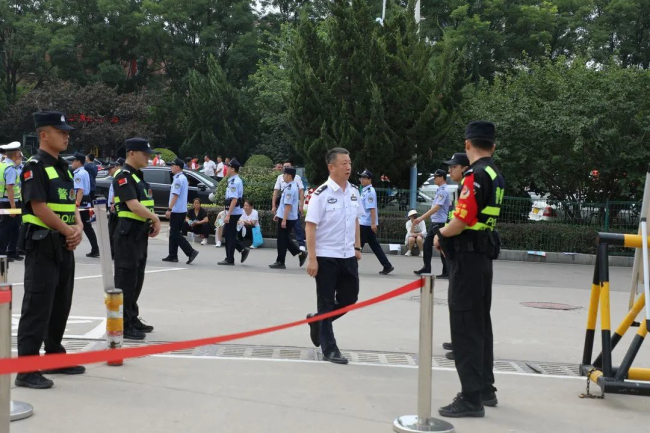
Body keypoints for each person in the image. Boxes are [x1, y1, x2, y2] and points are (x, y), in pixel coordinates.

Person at [434, 121, 504, 418]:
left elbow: (461, 220)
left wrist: (440, 234)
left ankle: (470, 397)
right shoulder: (495, 173)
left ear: (467, 144)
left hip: (467, 259)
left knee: (465, 329)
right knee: (480, 325)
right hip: (482, 258)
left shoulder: (474, 176)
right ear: (493, 146)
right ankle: (485, 389)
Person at [15, 111, 84, 389]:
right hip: (43, 244)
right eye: (60, 131)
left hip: (64, 245)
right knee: (37, 305)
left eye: (67, 132)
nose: (66, 136)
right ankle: (26, 370)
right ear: (44, 135)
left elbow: (71, 204)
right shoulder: (34, 167)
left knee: (60, 304)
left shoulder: (64, 167)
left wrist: (77, 227)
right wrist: (69, 231)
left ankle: (55, 355)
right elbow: (38, 207)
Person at [305, 148, 363, 365]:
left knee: (350, 299)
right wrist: (312, 259)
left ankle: (317, 322)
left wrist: (357, 247)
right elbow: (310, 227)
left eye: (350, 163)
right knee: (326, 303)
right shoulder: (321, 194)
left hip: (348, 255)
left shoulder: (354, 192)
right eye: (343, 163)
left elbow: (356, 220)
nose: (348, 167)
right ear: (331, 167)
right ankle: (329, 348)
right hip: (326, 256)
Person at [113, 137, 162, 340]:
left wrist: (150, 220)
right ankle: (123, 324)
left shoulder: (138, 177)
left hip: (139, 233)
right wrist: (155, 218)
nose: (148, 157)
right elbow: (133, 205)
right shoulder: (123, 176)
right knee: (125, 280)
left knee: (136, 278)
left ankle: (132, 317)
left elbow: (144, 204)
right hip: (127, 234)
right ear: (131, 153)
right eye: (145, 154)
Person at [439, 152, 470, 361]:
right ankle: (458, 339)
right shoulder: (460, 188)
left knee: (461, 300)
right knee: (456, 299)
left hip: (464, 249)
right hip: (455, 246)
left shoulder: (467, 187)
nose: (450, 171)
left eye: (454, 167)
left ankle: (463, 343)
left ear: (464, 168)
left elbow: (462, 220)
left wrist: (442, 235)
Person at [414, 169, 451, 278]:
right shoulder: (440, 190)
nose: (434, 179)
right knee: (428, 245)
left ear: (441, 178)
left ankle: (446, 271)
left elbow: (436, 208)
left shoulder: (443, 191)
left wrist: (421, 218)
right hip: (435, 222)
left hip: (439, 223)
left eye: (435, 177)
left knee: (441, 246)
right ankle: (427, 268)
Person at [270, 167, 308, 269]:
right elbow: (283, 205)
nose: (283, 176)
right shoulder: (290, 186)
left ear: (289, 176)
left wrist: (284, 219)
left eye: (284, 174)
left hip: (288, 218)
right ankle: (299, 254)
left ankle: (281, 261)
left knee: (282, 240)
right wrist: (278, 215)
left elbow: (288, 205)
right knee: (284, 238)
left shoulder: (291, 188)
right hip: (286, 216)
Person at [163, 158, 199, 264]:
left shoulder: (178, 179)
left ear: (178, 167)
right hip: (180, 210)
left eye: (172, 165)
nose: (171, 167)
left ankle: (191, 252)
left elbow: (175, 195)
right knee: (173, 233)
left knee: (175, 234)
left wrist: (169, 209)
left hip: (177, 210)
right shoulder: (182, 177)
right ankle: (172, 255)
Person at [358, 169, 393, 275]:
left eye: (364, 178)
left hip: (365, 223)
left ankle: (351, 266)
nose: (361, 180)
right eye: (361, 177)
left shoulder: (370, 192)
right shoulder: (365, 190)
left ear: (369, 180)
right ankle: (387, 265)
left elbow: (372, 208)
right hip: (364, 222)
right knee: (374, 245)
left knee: (357, 245)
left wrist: (373, 223)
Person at [218, 158, 250, 266]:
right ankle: (242, 250)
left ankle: (230, 259)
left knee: (229, 235)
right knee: (228, 234)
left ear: (232, 169)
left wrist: (228, 215)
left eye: (228, 167)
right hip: (233, 211)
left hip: (233, 212)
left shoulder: (234, 182)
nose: (226, 169)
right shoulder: (233, 180)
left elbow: (234, 200)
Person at [272, 160, 306, 251]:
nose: (285, 168)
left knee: (296, 227)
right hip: (283, 207)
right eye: (284, 167)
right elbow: (276, 191)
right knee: (283, 236)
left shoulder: (295, 180)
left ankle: (301, 245)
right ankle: (297, 252)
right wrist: (274, 206)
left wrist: (301, 205)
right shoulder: (281, 178)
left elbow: (301, 191)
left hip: (291, 208)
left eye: (288, 167)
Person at [72, 153, 100, 257]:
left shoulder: (79, 174)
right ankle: (95, 248)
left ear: (78, 162)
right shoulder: (84, 172)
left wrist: (76, 205)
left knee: (81, 225)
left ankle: (95, 248)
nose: (72, 163)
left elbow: (80, 191)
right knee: (87, 227)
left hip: (81, 202)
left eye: (73, 161)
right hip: (86, 201)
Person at [0, 142, 24, 261]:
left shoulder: (2, 165)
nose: (20, 154)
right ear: (15, 154)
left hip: (5, 201)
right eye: (19, 152)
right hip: (10, 202)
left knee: (14, 227)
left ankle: (12, 251)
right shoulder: (10, 169)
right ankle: (3, 253)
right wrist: (13, 207)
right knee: (6, 228)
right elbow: (10, 188)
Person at [106, 159, 122, 258]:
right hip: (114, 207)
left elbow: (117, 192)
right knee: (112, 231)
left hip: (116, 208)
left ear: (116, 167)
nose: (109, 171)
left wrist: (113, 203)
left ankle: (113, 251)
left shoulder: (119, 177)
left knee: (113, 231)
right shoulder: (116, 177)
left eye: (110, 169)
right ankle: (112, 251)